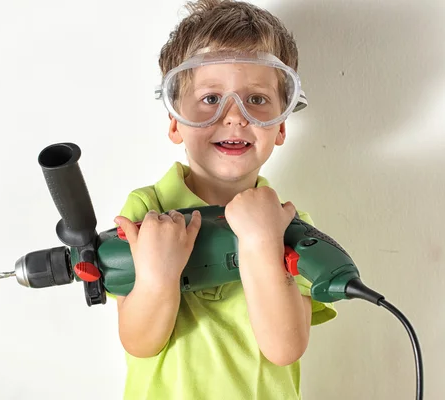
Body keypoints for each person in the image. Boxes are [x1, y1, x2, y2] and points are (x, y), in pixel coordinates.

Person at [112, 0, 337, 398]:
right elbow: (139, 341)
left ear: (280, 126)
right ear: (175, 122)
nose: (235, 117)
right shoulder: (147, 211)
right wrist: (158, 277)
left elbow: (284, 349)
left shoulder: (291, 225)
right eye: (211, 99)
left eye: (257, 99)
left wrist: (261, 243)